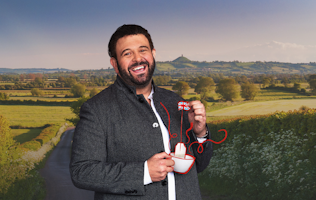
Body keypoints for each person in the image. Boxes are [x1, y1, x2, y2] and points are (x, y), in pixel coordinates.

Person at [70, 24, 213, 200]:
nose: (138, 59)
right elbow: (82, 172)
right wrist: (144, 172)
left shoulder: (175, 101)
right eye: (127, 53)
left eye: (143, 50)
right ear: (114, 64)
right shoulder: (96, 109)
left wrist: (200, 133)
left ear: (153, 54)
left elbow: (200, 165)